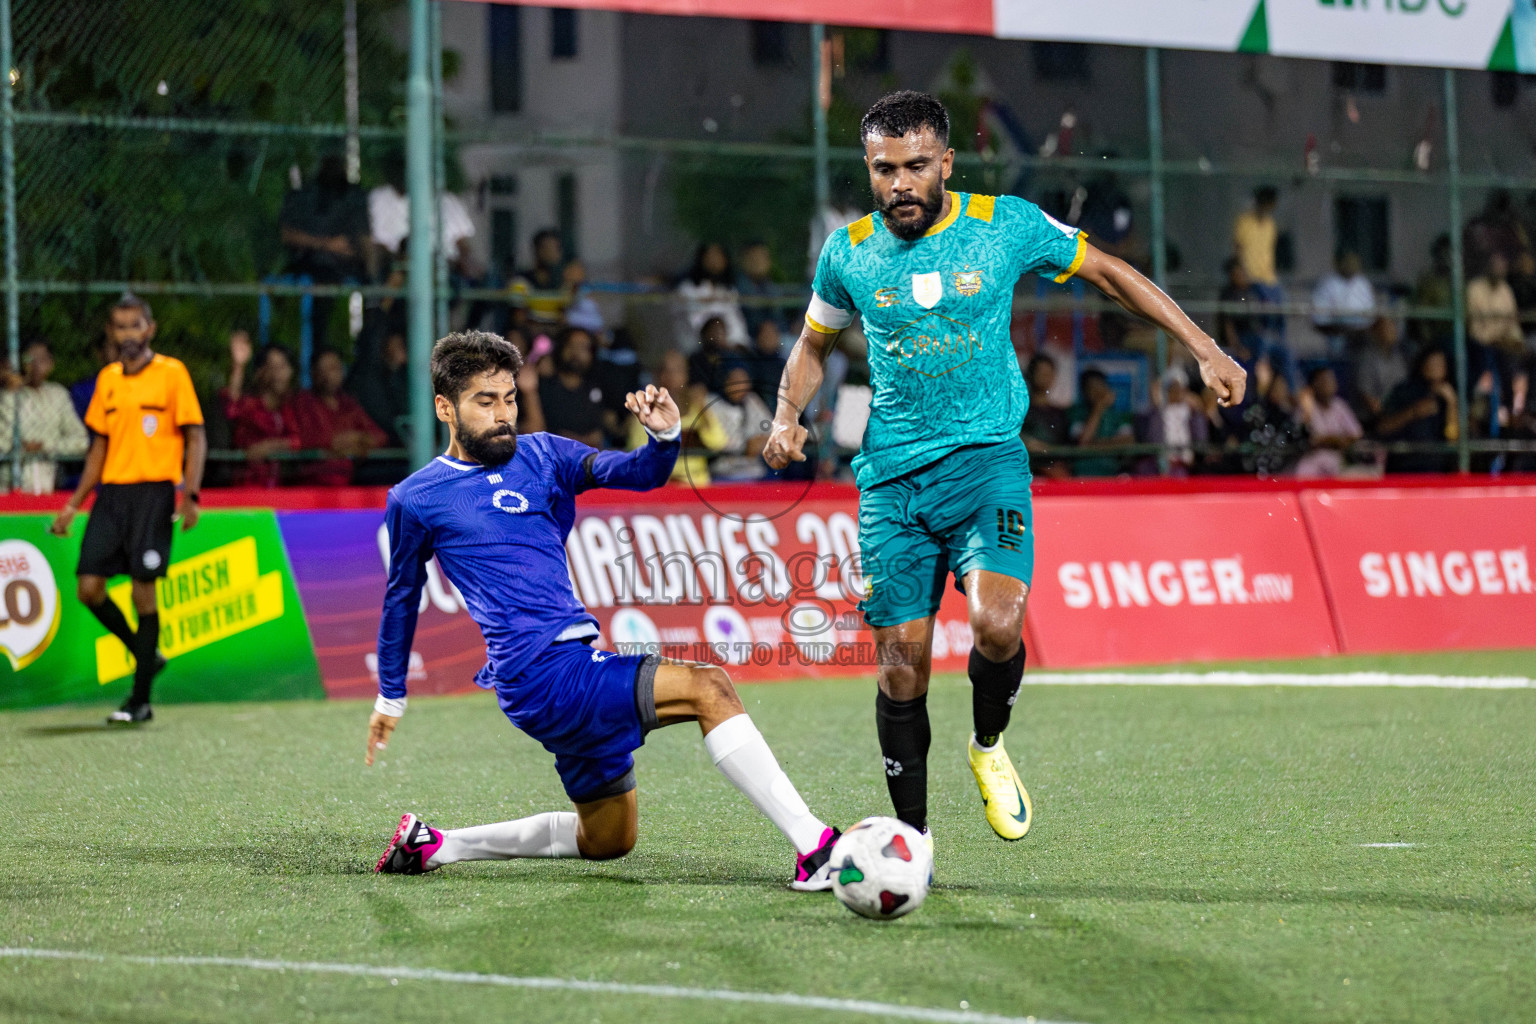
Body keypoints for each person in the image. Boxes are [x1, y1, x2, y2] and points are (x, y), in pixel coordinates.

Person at [763, 91, 1246, 845]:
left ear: (945, 163)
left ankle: (987, 747)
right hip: (891, 483)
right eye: (884, 169)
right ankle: (912, 843)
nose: (899, 184)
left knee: (996, 622)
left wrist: (1202, 346)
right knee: (901, 671)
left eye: (916, 166)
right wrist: (786, 415)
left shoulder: (1004, 224)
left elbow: (1110, 273)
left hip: (987, 462)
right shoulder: (848, 250)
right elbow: (813, 345)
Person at [367, 331, 842, 888]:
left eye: (510, 398)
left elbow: (637, 473)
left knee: (609, 840)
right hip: (539, 673)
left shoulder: (542, 453)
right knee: (709, 687)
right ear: (446, 407)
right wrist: (391, 695)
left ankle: (437, 846)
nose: (504, 415)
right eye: (485, 401)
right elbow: (401, 597)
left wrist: (664, 436)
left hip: (564, 668)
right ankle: (816, 847)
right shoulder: (417, 497)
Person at [49, 294, 206, 725]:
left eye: (135, 325)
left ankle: (140, 700)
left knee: (142, 591)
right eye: (120, 327)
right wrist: (73, 505)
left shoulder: (172, 374)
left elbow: (196, 437)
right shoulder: (108, 380)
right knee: (88, 588)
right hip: (112, 496)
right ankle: (145, 653)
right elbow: (99, 446)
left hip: (154, 495)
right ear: (111, 333)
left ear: (149, 329)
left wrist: (189, 495)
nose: (128, 334)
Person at [278, 153, 371, 348]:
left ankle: (354, 352)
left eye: (337, 161)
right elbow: (286, 234)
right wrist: (324, 244)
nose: (334, 166)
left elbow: (363, 241)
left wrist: (356, 253)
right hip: (309, 263)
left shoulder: (355, 197)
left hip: (347, 266)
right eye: (329, 161)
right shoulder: (303, 194)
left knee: (372, 294)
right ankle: (315, 354)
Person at [0, 341, 89, 493]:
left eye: (42, 360)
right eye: (29, 360)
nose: (35, 366)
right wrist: (20, 447)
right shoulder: (7, 397)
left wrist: (46, 446)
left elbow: (81, 441)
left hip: (47, 487)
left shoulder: (58, 396)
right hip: (8, 489)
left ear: (51, 364)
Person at [291, 349, 389, 486]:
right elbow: (306, 439)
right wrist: (337, 443)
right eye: (322, 370)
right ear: (313, 373)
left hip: (349, 482)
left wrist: (357, 439)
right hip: (312, 483)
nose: (327, 375)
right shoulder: (302, 402)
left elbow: (380, 436)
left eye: (333, 368)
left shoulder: (348, 402)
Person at [223, 334, 300, 487]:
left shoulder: (289, 408)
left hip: (279, 491)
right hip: (248, 488)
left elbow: (299, 441)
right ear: (260, 372)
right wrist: (238, 366)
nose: (279, 374)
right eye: (273, 367)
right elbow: (231, 408)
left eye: (283, 366)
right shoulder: (250, 406)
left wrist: (270, 447)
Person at [1376, 347, 1459, 474]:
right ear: (1422, 364)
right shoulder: (1403, 391)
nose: (1435, 367)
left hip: (1437, 470)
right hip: (1404, 467)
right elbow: (1383, 428)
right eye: (1432, 363)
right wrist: (1413, 412)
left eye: (1440, 364)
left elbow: (1453, 440)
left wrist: (1451, 403)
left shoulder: (1448, 396)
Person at [538, 326, 606, 448]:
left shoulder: (598, 388)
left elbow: (598, 436)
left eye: (583, 348)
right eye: (571, 345)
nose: (576, 353)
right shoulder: (543, 386)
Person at [674, 242, 749, 351]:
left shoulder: (729, 290)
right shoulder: (687, 289)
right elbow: (692, 324)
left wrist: (736, 343)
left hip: (731, 350)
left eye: (718, 256)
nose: (714, 261)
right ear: (701, 259)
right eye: (710, 256)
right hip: (699, 350)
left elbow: (737, 324)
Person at [1294, 366, 1364, 478]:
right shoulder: (1306, 407)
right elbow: (1309, 439)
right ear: (1313, 385)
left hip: (1337, 463)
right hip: (1311, 464)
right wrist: (1336, 440)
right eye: (1323, 381)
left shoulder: (1340, 405)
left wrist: (1332, 441)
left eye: (1331, 380)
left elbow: (1357, 434)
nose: (1329, 384)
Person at [709, 364, 772, 482]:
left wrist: (763, 441)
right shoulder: (711, 403)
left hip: (753, 473)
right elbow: (716, 440)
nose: (739, 386)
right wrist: (746, 445)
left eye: (744, 381)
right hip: (722, 473)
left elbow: (773, 430)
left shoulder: (752, 400)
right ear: (724, 381)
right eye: (735, 380)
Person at [1067, 368, 1134, 477]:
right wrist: (1098, 408)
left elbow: (1128, 441)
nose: (1097, 391)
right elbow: (1083, 442)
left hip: (1113, 471)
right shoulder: (1076, 412)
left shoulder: (1119, 414)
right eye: (1092, 388)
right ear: (1084, 391)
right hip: (1083, 472)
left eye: (1100, 386)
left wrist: (1093, 445)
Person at [1310, 250, 1376, 356]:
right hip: (1336, 328)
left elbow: (1370, 313)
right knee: (1338, 346)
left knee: (1370, 345)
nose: (1351, 265)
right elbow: (1319, 317)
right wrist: (1339, 327)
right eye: (1347, 262)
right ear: (1339, 263)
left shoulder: (1363, 283)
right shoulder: (1327, 282)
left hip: (1360, 330)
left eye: (1354, 263)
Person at [1019, 353, 1070, 479]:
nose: (1045, 377)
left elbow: (1067, 446)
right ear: (1031, 375)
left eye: (1049, 373)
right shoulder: (1020, 410)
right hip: (1028, 474)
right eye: (1041, 372)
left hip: (1058, 475)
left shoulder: (1061, 413)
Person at [1352, 316, 1409, 426]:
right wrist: (1388, 418)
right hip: (1372, 419)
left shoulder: (1399, 356)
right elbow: (1367, 396)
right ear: (1375, 332)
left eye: (1393, 327)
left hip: (1398, 416)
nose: (1393, 331)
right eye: (1387, 328)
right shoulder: (1366, 357)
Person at [70, 328, 119, 420]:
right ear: (100, 353)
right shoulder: (83, 391)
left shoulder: (145, 384)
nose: (120, 351)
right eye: (114, 346)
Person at [744, 318, 788, 408]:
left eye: (772, 334)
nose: (769, 338)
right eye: (765, 334)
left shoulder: (783, 365)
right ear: (757, 337)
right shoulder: (750, 363)